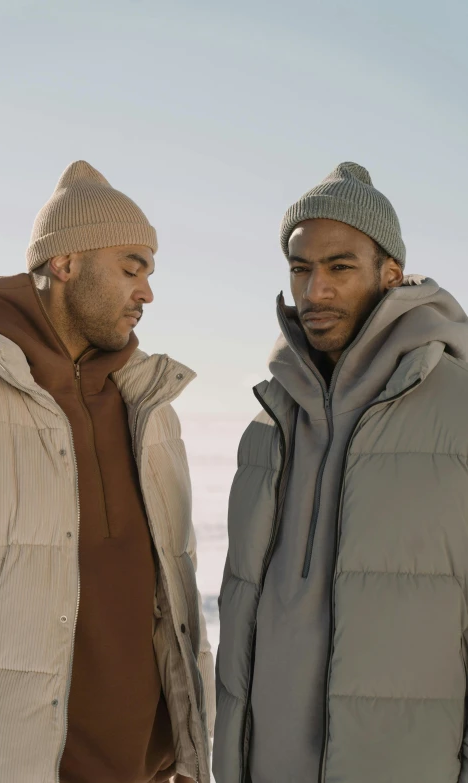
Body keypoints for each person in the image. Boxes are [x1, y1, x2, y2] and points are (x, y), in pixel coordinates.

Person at [0, 160, 214, 783]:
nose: (147, 292)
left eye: (149, 272)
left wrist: (189, 746)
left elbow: (176, 585)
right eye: (130, 268)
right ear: (64, 264)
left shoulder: (152, 405)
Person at [213, 162, 468, 783]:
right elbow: (244, 609)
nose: (315, 291)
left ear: (392, 274)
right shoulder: (268, 423)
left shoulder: (458, 407)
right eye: (301, 269)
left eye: (340, 267)